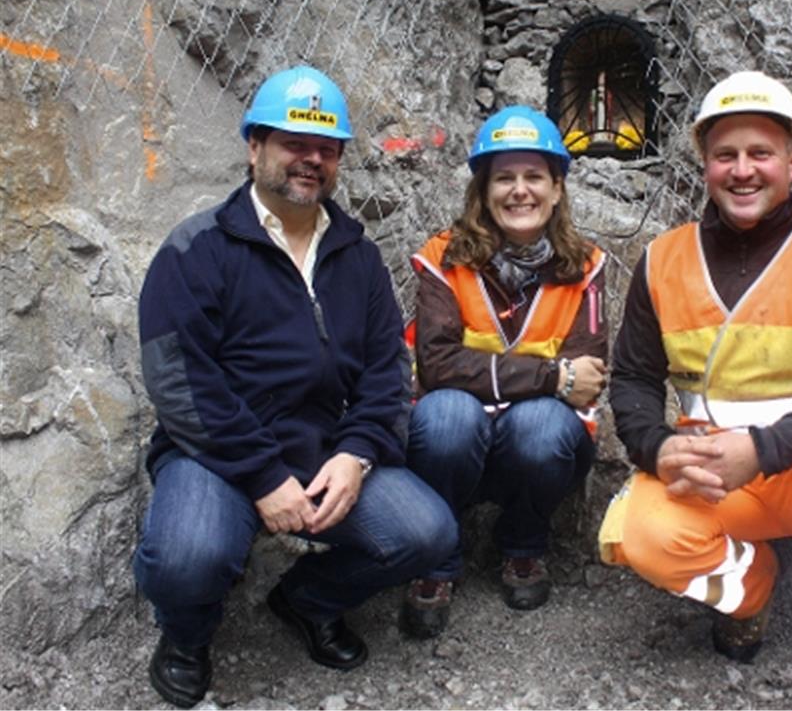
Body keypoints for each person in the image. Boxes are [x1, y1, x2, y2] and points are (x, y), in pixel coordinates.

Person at [133, 65, 457, 709]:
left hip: (324, 448)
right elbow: (179, 382)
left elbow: (386, 371)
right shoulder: (196, 250)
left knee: (428, 533)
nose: (312, 160)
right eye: (294, 143)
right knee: (186, 556)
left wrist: (356, 454)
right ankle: (188, 635)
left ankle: (308, 599)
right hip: (217, 456)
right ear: (254, 147)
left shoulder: (357, 256)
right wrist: (261, 475)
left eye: (327, 149)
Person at [598, 71, 792, 710]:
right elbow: (632, 378)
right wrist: (658, 448)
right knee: (641, 535)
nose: (743, 171)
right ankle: (753, 591)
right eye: (726, 155)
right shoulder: (662, 259)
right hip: (715, 477)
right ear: (705, 165)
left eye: (760, 153)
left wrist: (763, 450)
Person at [399, 105, 608, 639]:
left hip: (537, 445)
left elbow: (587, 376)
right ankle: (437, 555)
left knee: (541, 426)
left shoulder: (587, 266)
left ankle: (523, 544)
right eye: (504, 178)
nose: (520, 191)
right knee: (446, 415)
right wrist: (551, 377)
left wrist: (551, 383)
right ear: (483, 191)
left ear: (557, 189)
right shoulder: (443, 257)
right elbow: (437, 365)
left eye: (534, 176)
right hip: (456, 441)